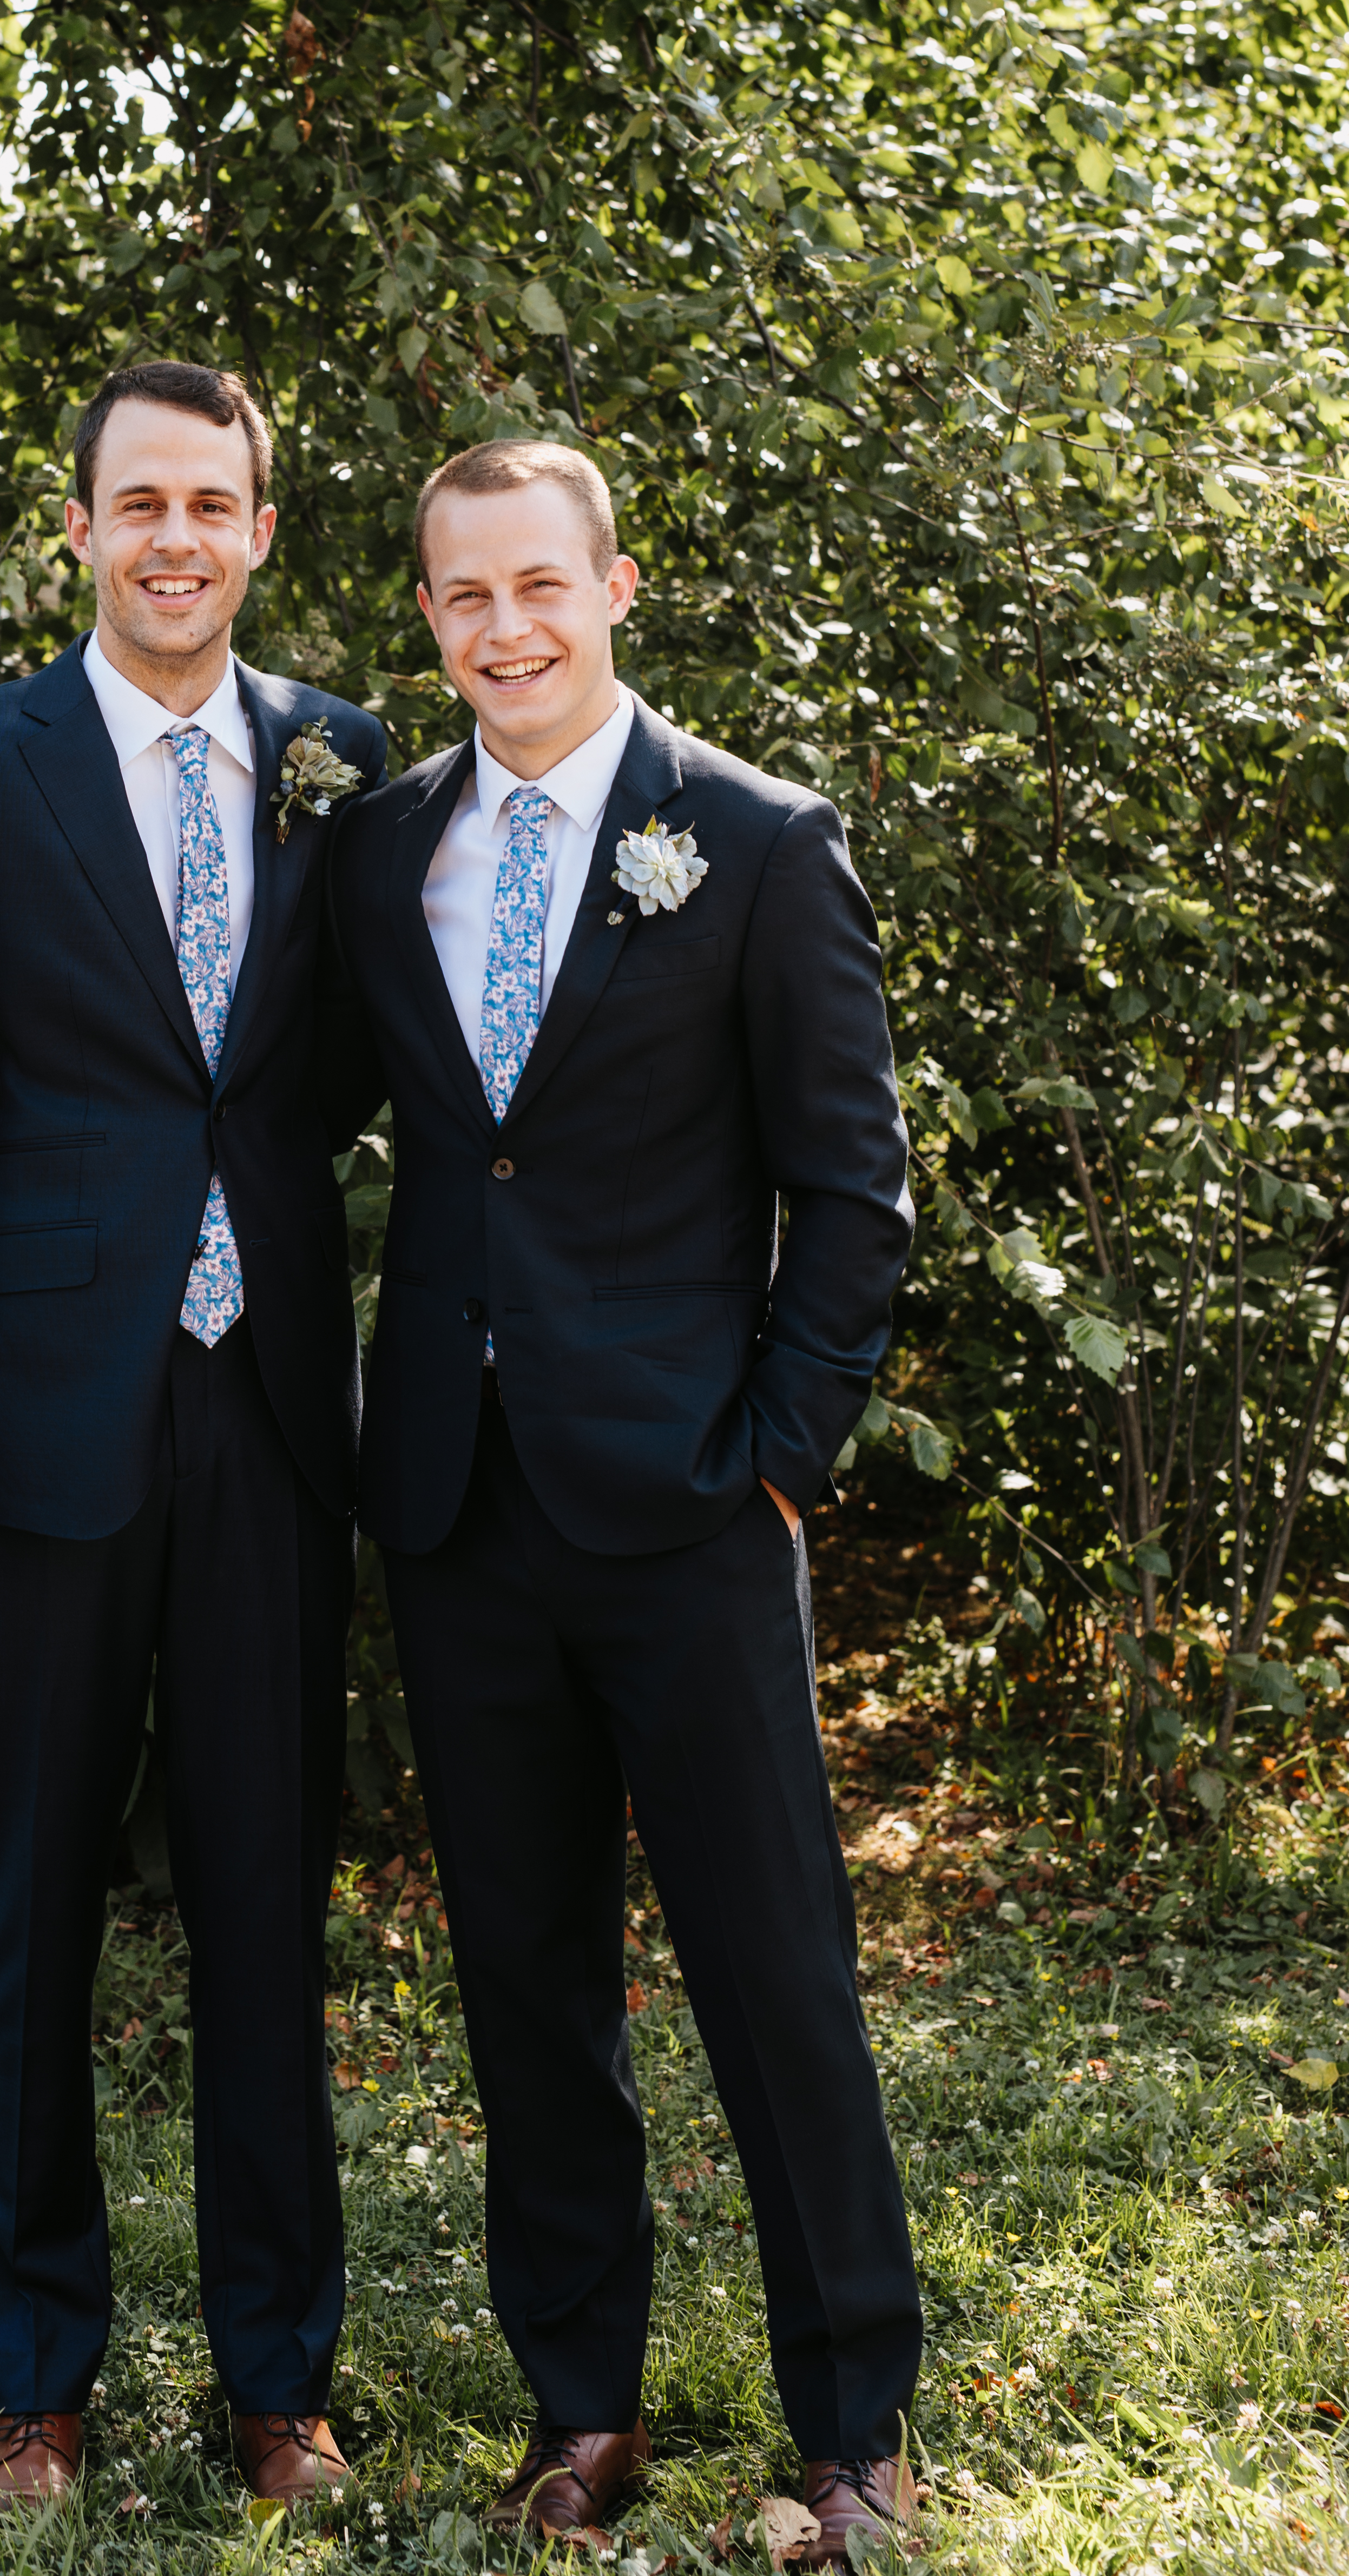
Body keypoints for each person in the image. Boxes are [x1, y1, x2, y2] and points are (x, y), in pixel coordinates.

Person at [326, 436, 923, 2565]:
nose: (502, 625)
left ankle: (854, 2417)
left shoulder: (752, 842)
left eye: (535, 584)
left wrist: (771, 1460)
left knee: (775, 1974)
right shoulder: (381, 844)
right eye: (460, 594)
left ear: (615, 584)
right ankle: (581, 2403)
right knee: (526, 1976)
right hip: (460, 1506)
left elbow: (853, 1192)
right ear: (426, 615)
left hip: (686, 1504)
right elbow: (298, 1092)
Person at [0, 360, 384, 2512]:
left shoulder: (339, 756)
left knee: (264, 1904)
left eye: (212, 502)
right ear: (77, 529)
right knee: (32, 1913)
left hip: (268, 1409)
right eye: (135, 499)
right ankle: (34, 2381)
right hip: (30, 1416)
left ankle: (280, 2382)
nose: (174, 535)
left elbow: (354, 1043)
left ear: (259, 527)